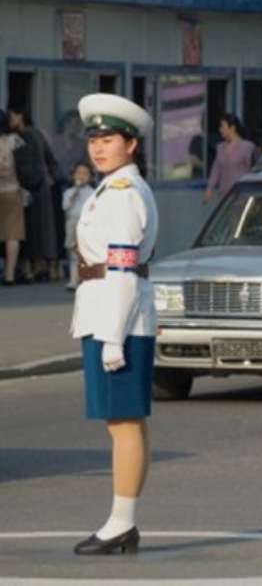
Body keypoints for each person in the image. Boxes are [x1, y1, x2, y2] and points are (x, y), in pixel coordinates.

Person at [71, 93, 159, 556]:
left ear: (131, 144)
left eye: (109, 139)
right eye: (94, 140)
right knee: (126, 422)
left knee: (123, 423)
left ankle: (121, 523)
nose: (98, 148)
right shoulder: (112, 189)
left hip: (116, 314)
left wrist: (112, 336)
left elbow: (122, 268)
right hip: (114, 310)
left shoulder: (122, 195)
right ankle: (123, 521)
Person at [9, 104, 63, 282]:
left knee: (32, 229)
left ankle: (32, 267)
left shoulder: (21, 137)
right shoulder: (36, 134)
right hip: (40, 187)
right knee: (39, 228)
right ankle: (40, 266)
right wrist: (58, 179)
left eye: (12, 115)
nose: (10, 119)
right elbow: (50, 159)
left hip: (27, 187)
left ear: (20, 115)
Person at [202, 113, 256, 204]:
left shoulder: (247, 146)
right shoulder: (220, 147)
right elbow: (216, 170)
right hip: (224, 194)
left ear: (232, 128)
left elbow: (251, 170)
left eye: (223, 127)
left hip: (240, 194)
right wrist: (210, 189)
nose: (220, 130)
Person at [0, 109, 26, 287]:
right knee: (12, 234)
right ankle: (9, 274)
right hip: (12, 189)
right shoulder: (15, 141)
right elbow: (24, 165)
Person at [62, 162, 96, 290]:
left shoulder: (93, 192)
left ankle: (86, 279)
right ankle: (73, 280)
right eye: (78, 173)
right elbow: (65, 207)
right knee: (73, 253)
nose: (81, 176)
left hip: (87, 224)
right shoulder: (68, 192)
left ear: (91, 177)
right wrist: (75, 192)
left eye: (85, 174)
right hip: (72, 223)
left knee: (87, 253)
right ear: (73, 176)